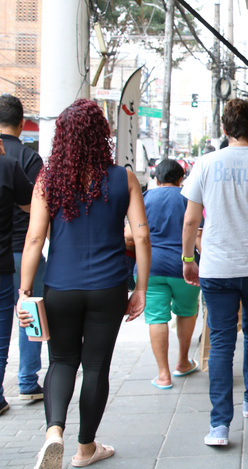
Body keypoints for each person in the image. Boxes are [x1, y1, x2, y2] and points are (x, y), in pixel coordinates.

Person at [16, 99, 150, 469]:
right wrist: (140, 288)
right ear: (101, 136)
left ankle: (54, 433)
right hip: (108, 289)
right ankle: (85, 448)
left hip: (61, 287)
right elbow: (141, 237)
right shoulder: (123, 178)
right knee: (96, 367)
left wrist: (25, 290)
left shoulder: (48, 181)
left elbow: (33, 240)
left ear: (61, 137)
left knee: (60, 361)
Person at [181, 98, 248, 446]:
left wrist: (187, 259)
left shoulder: (206, 163)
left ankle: (219, 426)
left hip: (217, 266)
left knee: (222, 341)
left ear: (225, 129)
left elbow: (190, 219)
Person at [125, 159, 201, 390]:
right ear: (181, 179)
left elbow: (130, 235)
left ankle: (163, 375)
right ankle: (183, 362)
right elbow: (197, 234)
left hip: (151, 268)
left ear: (156, 179)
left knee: (157, 317)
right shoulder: (189, 198)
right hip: (185, 266)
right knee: (187, 312)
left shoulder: (145, 198)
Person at [0, 94, 45, 402]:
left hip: (5, 255)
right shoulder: (30, 158)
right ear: (20, 122)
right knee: (31, 311)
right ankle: (28, 381)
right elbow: (39, 208)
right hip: (25, 250)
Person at [0, 138, 33, 415]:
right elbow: (30, 205)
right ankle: (22, 384)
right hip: (9, 257)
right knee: (5, 334)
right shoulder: (10, 164)